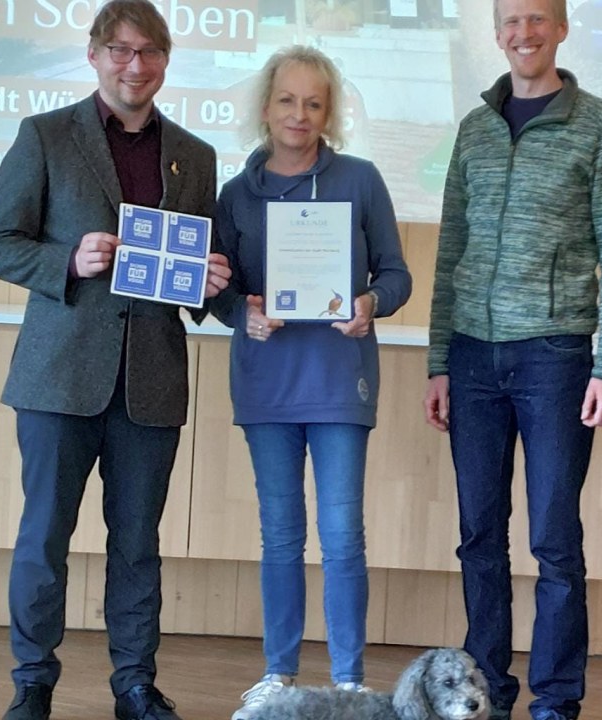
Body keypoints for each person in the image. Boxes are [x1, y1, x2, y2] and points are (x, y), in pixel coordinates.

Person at [0, 1, 231, 718]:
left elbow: (192, 272)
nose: (134, 65)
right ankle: (32, 682)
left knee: (138, 545)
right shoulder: (45, 136)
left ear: (166, 61)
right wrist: (68, 259)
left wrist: (211, 284)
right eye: (120, 49)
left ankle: (135, 685)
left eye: (149, 51)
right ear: (93, 55)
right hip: (59, 378)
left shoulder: (194, 156)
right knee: (44, 538)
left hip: (150, 382)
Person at [422, 1, 602, 719]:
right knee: (479, 538)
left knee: (554, 540)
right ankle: (483, 691)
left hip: (555, 357)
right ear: (497, 33)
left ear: (563, 26)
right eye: (512, 21)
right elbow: (451, 248)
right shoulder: (474, 129)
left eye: (538, 18)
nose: (525, 33)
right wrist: (439, 360)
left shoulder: (600, 125)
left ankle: (555, 699)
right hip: (472, 359)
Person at [210, 45, 412, 720]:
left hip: (338, 382)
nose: (300, 114)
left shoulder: (361, 180)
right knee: (279, 535)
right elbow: (219, 288)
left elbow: (396, 275)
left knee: (343, 534)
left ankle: (349, 682)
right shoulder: (235, 195)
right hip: (265, 383)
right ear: (266, 107)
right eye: (288, 100)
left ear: (330, 113)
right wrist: (241, 311)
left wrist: (371, 303)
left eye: (314, 103)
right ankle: (279, 675)